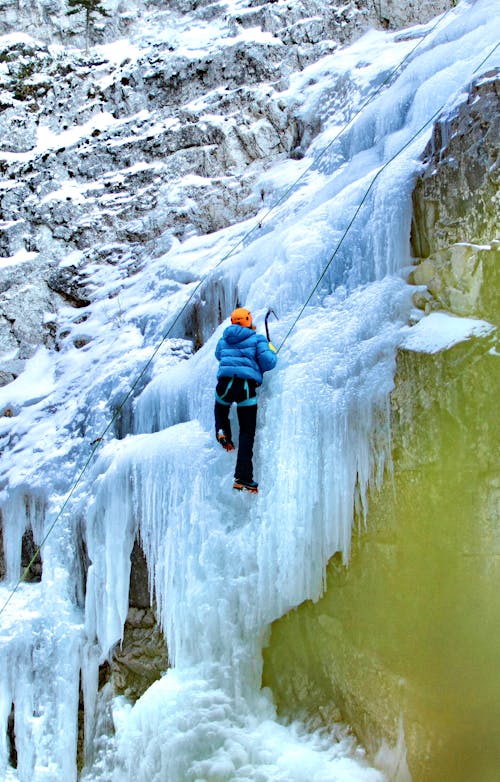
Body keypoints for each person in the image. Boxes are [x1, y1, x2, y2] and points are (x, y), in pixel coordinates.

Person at [214, 307, 277, 493]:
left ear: (232, 322)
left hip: (224, 385)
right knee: (247, 432)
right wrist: (270, 348)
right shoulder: (257, 339)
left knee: (221, 408)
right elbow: (269, 362)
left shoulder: (224, 339)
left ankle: (221, 430)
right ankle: (244, 477)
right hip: (245, 388)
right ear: (248, 320)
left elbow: (219, 355)